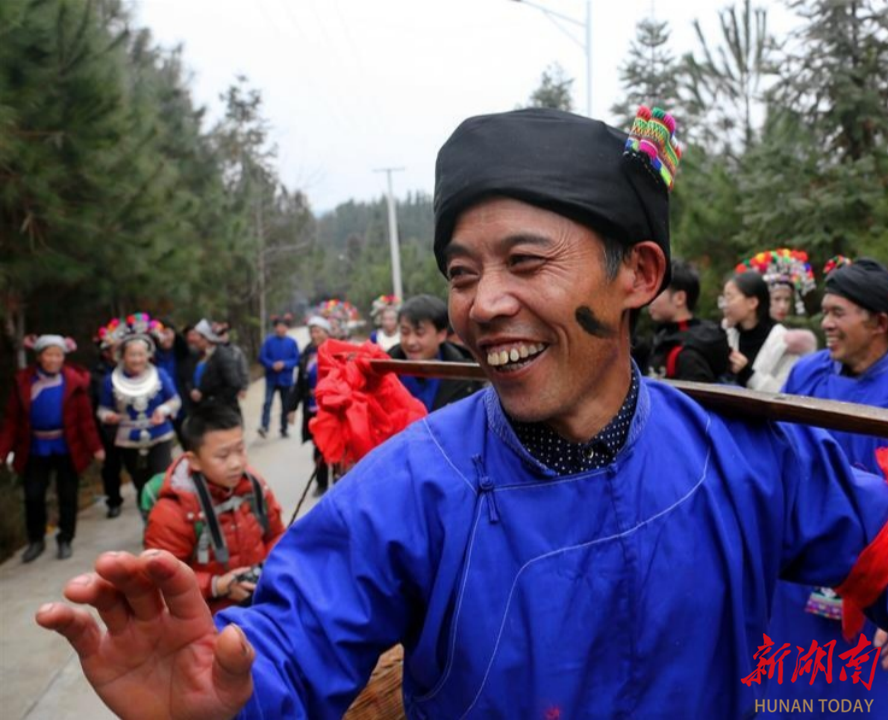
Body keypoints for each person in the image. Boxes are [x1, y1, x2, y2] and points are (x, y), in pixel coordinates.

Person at [36, 107, 888, 719]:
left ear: (636, 275)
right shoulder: (410, 488)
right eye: (463, 272)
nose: (482, 305)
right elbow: (288, 644)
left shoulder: (748, 458)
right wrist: (219, 700)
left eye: (526, 261)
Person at [766, 257, 888, 717]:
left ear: (879, 322)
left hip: (874, 575)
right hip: (802, 575)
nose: (826, 323)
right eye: (826, 311)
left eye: (839, 313)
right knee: (789, 692)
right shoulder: (809, 374)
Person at [143, 403, 285, 614]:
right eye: (223, 456)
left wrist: (270, 569)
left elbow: (276, 534)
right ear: (194, 461)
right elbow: (162, 581)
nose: (237, 463)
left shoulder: (253, 485)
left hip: (261, 602)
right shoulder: (172, 512)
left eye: (240, 449)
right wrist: (217, 585)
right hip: (209, 618)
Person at [0, 335, 104, 561]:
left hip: (67, 446)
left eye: (58, 354)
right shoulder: (24, 382)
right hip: (35, 447)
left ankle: (65, 538)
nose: (54, 359)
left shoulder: (74, 382)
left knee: (68, 495)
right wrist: (3, 450)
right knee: (33, 495)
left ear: (64, 357)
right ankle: (36, 540)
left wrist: (96, 447)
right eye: (49, 354)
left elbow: (86, 420)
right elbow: (12, 420)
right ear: (39, 357)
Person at [97, 314, 181, 514]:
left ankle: (169, 521)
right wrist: (108, 416)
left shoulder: (159, 374)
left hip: (159, 436)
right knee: (142, 485)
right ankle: (149, 523)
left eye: (141, 354)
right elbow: (102, 409)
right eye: (132, 355)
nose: (137, 359)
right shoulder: (110, 381)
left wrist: (163, 410)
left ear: (148, 355)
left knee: (163, 480)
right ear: (122, 356)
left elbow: (175, 400)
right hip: (129, 441)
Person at [720, 270, 813, 391]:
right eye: (724, 298)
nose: (724, 305)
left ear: (752, 303)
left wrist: (749, 374)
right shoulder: (727, 334)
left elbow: (786, 394)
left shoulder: (785, 342)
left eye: (730, 297)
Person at [388, 294, 482, 411]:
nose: (411, 342)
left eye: (419, 333)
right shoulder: (385, 368)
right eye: (405, 332)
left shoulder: (466, 375)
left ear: (441, 335)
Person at [646, 258, 729, 382]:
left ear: (679, 298)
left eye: (657, 291)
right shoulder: (664, 336)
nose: (649, 298)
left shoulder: (689, 352)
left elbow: (693, 400)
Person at [286, 316, 332, 495]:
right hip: (313, 409)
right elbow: (299, 384)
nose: (314, 335)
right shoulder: (307, 354)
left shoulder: (336, 351)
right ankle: (321, 483)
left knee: (336, 447)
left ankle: (339, 481)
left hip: (333, 409)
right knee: (318, 447)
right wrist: (291, 408)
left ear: (327, 333)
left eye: (318, 331)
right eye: (312, 331)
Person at [89, 324, 124, 518]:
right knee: (111, 467)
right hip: (109, 429)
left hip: (133, 425)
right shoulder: (96, 374)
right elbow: (94, 404)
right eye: (113, 349)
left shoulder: (131, 368)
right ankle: (114, 500)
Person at [257, 316, 300, 438]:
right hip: (271, 378)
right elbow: (261, 357)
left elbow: (297, 359)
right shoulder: (268, 341)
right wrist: (271, 365)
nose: (281, 329)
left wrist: (285, 364)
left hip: (286, 379)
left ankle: (284, 428)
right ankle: (264, 426)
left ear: (287, 328)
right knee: (267, 402)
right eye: (278, 326)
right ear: (275, 328)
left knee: (285, 404)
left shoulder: (292, 343)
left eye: (283, 326)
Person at [191, 318, 243, 415]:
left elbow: (234, 385)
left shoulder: (222, 355)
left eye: (196, 335)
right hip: (206, 410)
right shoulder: (199, 356)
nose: (193, 339)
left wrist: (213, 401)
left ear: (206, 338)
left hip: (223, 413)